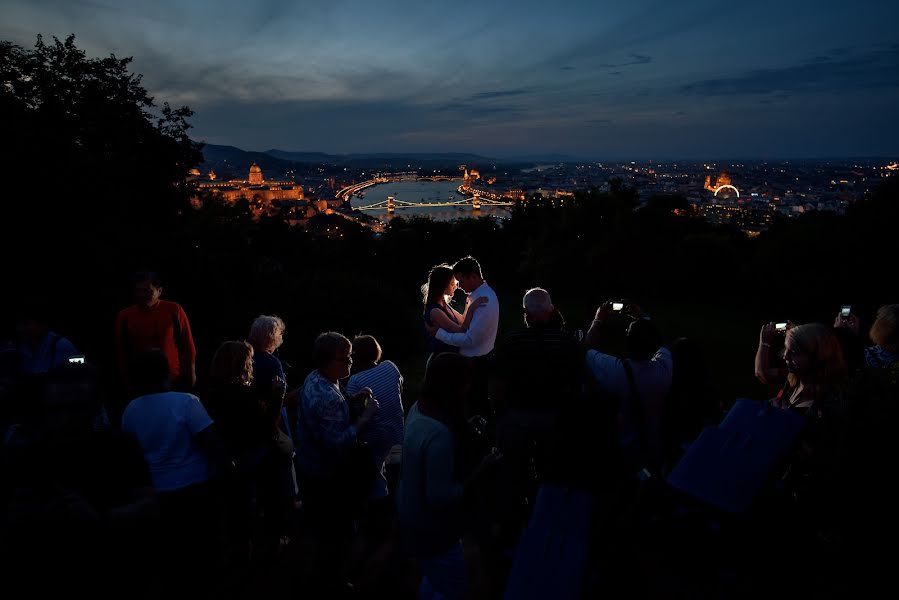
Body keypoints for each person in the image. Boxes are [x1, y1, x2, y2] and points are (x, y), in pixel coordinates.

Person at [396, 352, 501, 600]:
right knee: (453, 588)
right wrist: (481, 471)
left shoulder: (417, 409)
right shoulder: (439, 434)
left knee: (433, 579)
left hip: (409, 514)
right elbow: (440, 497)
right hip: (433, 530)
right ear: (455, 386)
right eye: (466, 382)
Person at [294, 332, 380, 594]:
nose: (350, 363)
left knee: (322, 534)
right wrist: (365, 417)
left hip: (310, 469)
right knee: (335, 536)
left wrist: (352, 400)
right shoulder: (327, 395)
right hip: (327, 477)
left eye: (351, 356)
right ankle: (332, 583)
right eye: (345, 359)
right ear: (327, 361)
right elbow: (337, 442)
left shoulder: (316, 377)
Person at [585, 301, 672, 475]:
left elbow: (586, 348)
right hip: (654, 450)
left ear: (628, 340)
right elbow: (661, 344)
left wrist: (598, 319)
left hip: (622, 451)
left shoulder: (615, 371)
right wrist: (643, 317)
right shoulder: (665, 369)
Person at [429, 256, 499, 418]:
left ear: (473, 276)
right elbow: (464, 325)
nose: (459, 287)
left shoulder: (485, 300)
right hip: (470, 361)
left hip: (477, 362)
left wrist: (439, 333)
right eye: (456, 282)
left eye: (461, 281)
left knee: (476, 407)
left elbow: (469, 340)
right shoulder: (475, 297)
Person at [115, 271, 197, 394]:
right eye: (138, 290)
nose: (142, 294)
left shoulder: (174, 310)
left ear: (159, 291)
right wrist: (126, 381)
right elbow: (120, 352)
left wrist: (192, 373)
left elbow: (188, 344)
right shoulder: (125, 316)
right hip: (141, 381)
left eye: (147, 290)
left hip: (173, 380)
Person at [421, 264, 487, 363]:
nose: (455, 286)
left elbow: (464, 321)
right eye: (452, 284)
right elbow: (461, 330)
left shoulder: (444, 304)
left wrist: (469, 302)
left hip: (454, 356)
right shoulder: (435, 311)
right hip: (446, 360)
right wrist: (472, 308)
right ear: (443, 285)